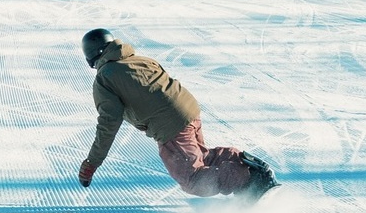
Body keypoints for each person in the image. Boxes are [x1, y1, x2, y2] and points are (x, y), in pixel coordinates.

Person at [76, 28, 277, 200]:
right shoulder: (140, 60)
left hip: (170, 125)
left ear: (91, 56)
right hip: (188, 109)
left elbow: (109, 122)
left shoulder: (105, 78)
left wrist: (92, 162)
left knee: (192, 179)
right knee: (201, 158)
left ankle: (250, 182)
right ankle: (244, 163)